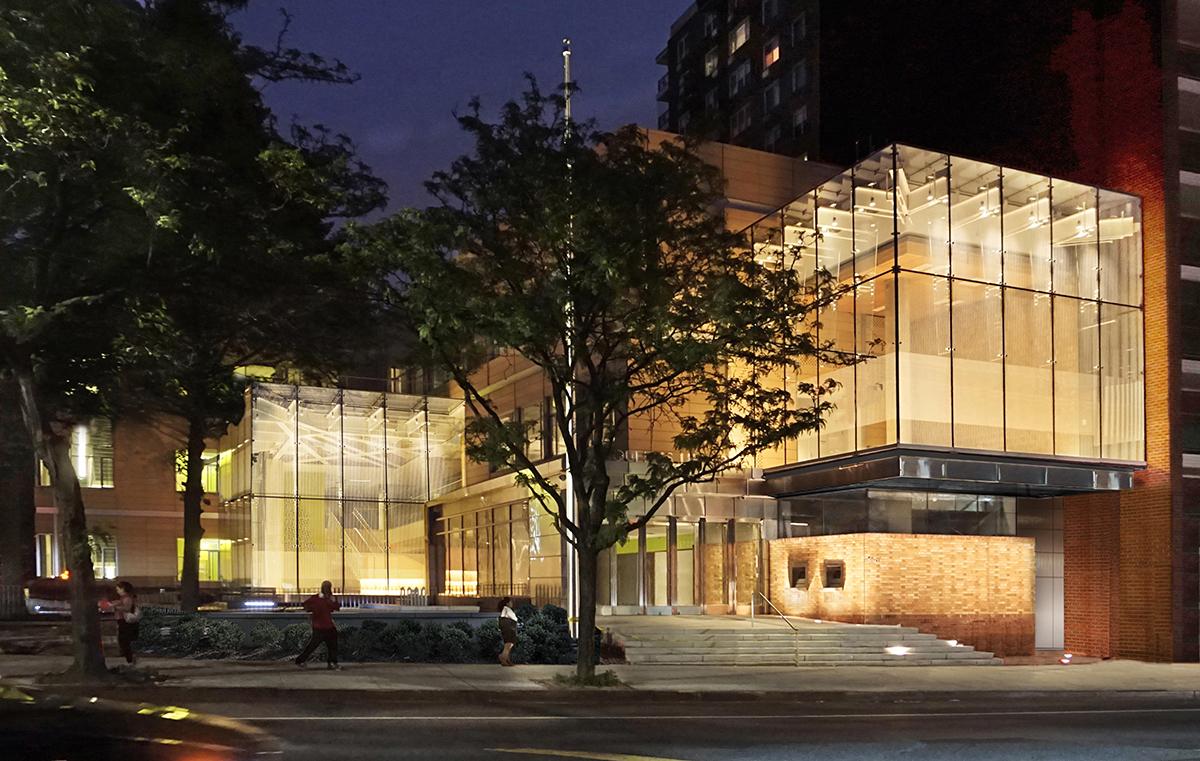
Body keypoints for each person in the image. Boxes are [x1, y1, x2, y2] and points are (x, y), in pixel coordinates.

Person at [295, 580, 341, 670]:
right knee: (330, 646)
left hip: (321, 625)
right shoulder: (325, 598)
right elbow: (336, 607)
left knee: (315, 645)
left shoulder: (319, 598)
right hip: (324, 626)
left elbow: (305, 605)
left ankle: (301, 660)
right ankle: (332, 662)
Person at [110, 581, 141, 666]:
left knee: (124, 641)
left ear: (123, 589)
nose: (117, 591)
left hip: (126, 622)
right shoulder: (124, 598)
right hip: (125, 622)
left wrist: (115, 607)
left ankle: (130, 659)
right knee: (125, 641)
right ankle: (131, 658)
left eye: (118, 589)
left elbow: (127, 608)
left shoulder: (127, 598)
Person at [498, 596, 518, 666]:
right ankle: (503, 658)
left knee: (509, 644)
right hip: (509, 628)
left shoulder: (505, 609)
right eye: (510, 602)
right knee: (508, 644)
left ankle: (506, 658)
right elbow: (514, 618)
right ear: (507, 603)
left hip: (508, 628)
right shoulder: (507, 609)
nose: (511, 603)